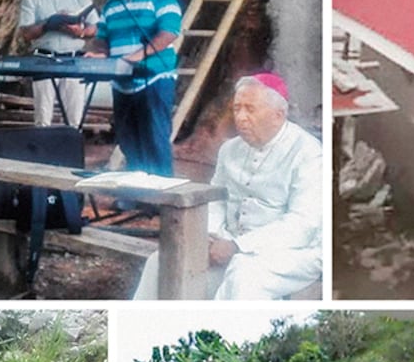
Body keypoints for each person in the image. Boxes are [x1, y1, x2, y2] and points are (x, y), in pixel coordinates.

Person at [133, 73, 322, 299]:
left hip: (291, 251)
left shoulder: (308, 153)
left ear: (278, 115)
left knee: (244, 275)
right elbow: (217, 200)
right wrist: (210, 235)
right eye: (236, 108)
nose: (240, 117)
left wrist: (237, 245)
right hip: (227, 240)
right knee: (163, 261)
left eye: (250, 109)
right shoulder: (230, 149)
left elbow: (302, 224)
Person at [93, 0, 181, 175]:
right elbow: (101, 37)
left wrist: (139, 55)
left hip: (154, 77)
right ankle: (136, 193)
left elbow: (170, 31)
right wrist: (101, 55)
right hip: (121, 80)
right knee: (128, 140)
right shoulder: (112, 3)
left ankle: (161, 195)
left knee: (155, 137)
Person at [18, 0, 100, 126]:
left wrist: (79, 32)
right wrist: (48, 24)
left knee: (74, 119)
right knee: (43, 118)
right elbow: (26, 33)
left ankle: (70, 148)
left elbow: (95, 27)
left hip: (73, 59)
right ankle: (42, 148)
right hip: (44, 59)